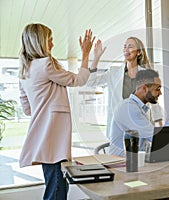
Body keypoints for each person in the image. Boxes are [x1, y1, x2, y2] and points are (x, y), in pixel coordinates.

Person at [18, 23, 97, 200]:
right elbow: (79, 80)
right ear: (39, 42)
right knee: (57, 191)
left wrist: (45, 101)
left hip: (43, 138)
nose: (52, 44)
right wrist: (85, 54)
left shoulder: (24, 72)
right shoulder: (46, 65)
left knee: (54, 185)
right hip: (54, 139)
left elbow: (27, 109)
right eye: (50, 40)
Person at [86, 37, 163, 139]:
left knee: (140, 153)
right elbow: (91, 82)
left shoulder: (146, 74)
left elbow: (153, 99)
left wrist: (160, 125)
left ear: (139, 52)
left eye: (130, 46)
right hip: (119, 128)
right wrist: (96, 58)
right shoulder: (113, 72)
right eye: (124, 47)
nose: (126, 49)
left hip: (140, 125)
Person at [108, 69, 169, 157]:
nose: (160, 93)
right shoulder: (129, 108)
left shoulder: (138, 107)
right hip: (122, 164)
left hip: (136, 161)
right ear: (144, 88)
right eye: (157, 89)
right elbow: (158, 138)